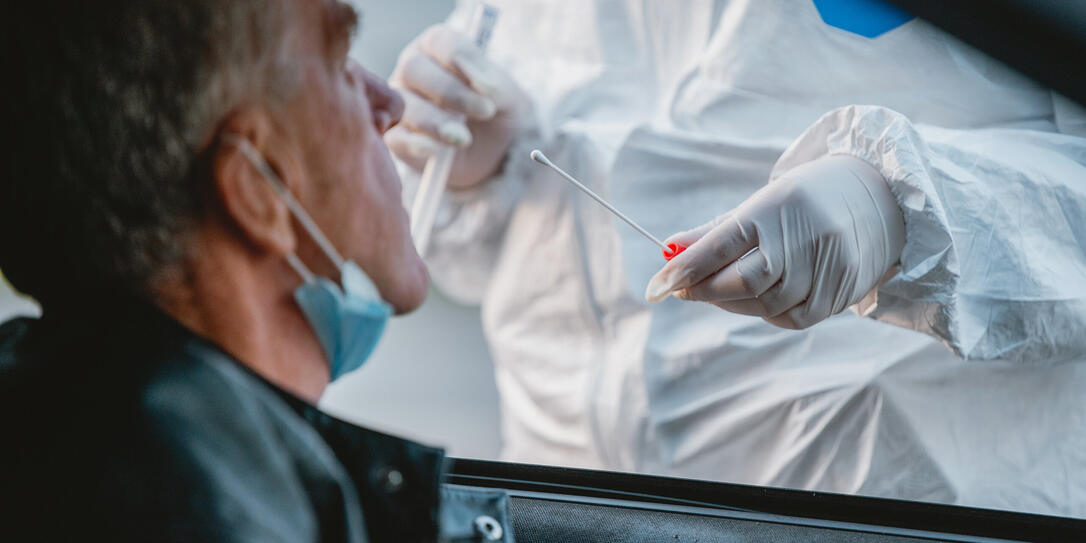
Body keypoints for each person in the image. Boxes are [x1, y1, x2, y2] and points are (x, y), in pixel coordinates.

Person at [387, 0, 1086, 516]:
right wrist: (476, 163)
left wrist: (901, 209)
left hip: (885, 505)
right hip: (551, 496)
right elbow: (467, 263)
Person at [0, 1, 511, 541]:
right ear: (258, 191)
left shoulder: (75, 451)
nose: (392, 103)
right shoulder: (214, 517)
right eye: (340, 64)